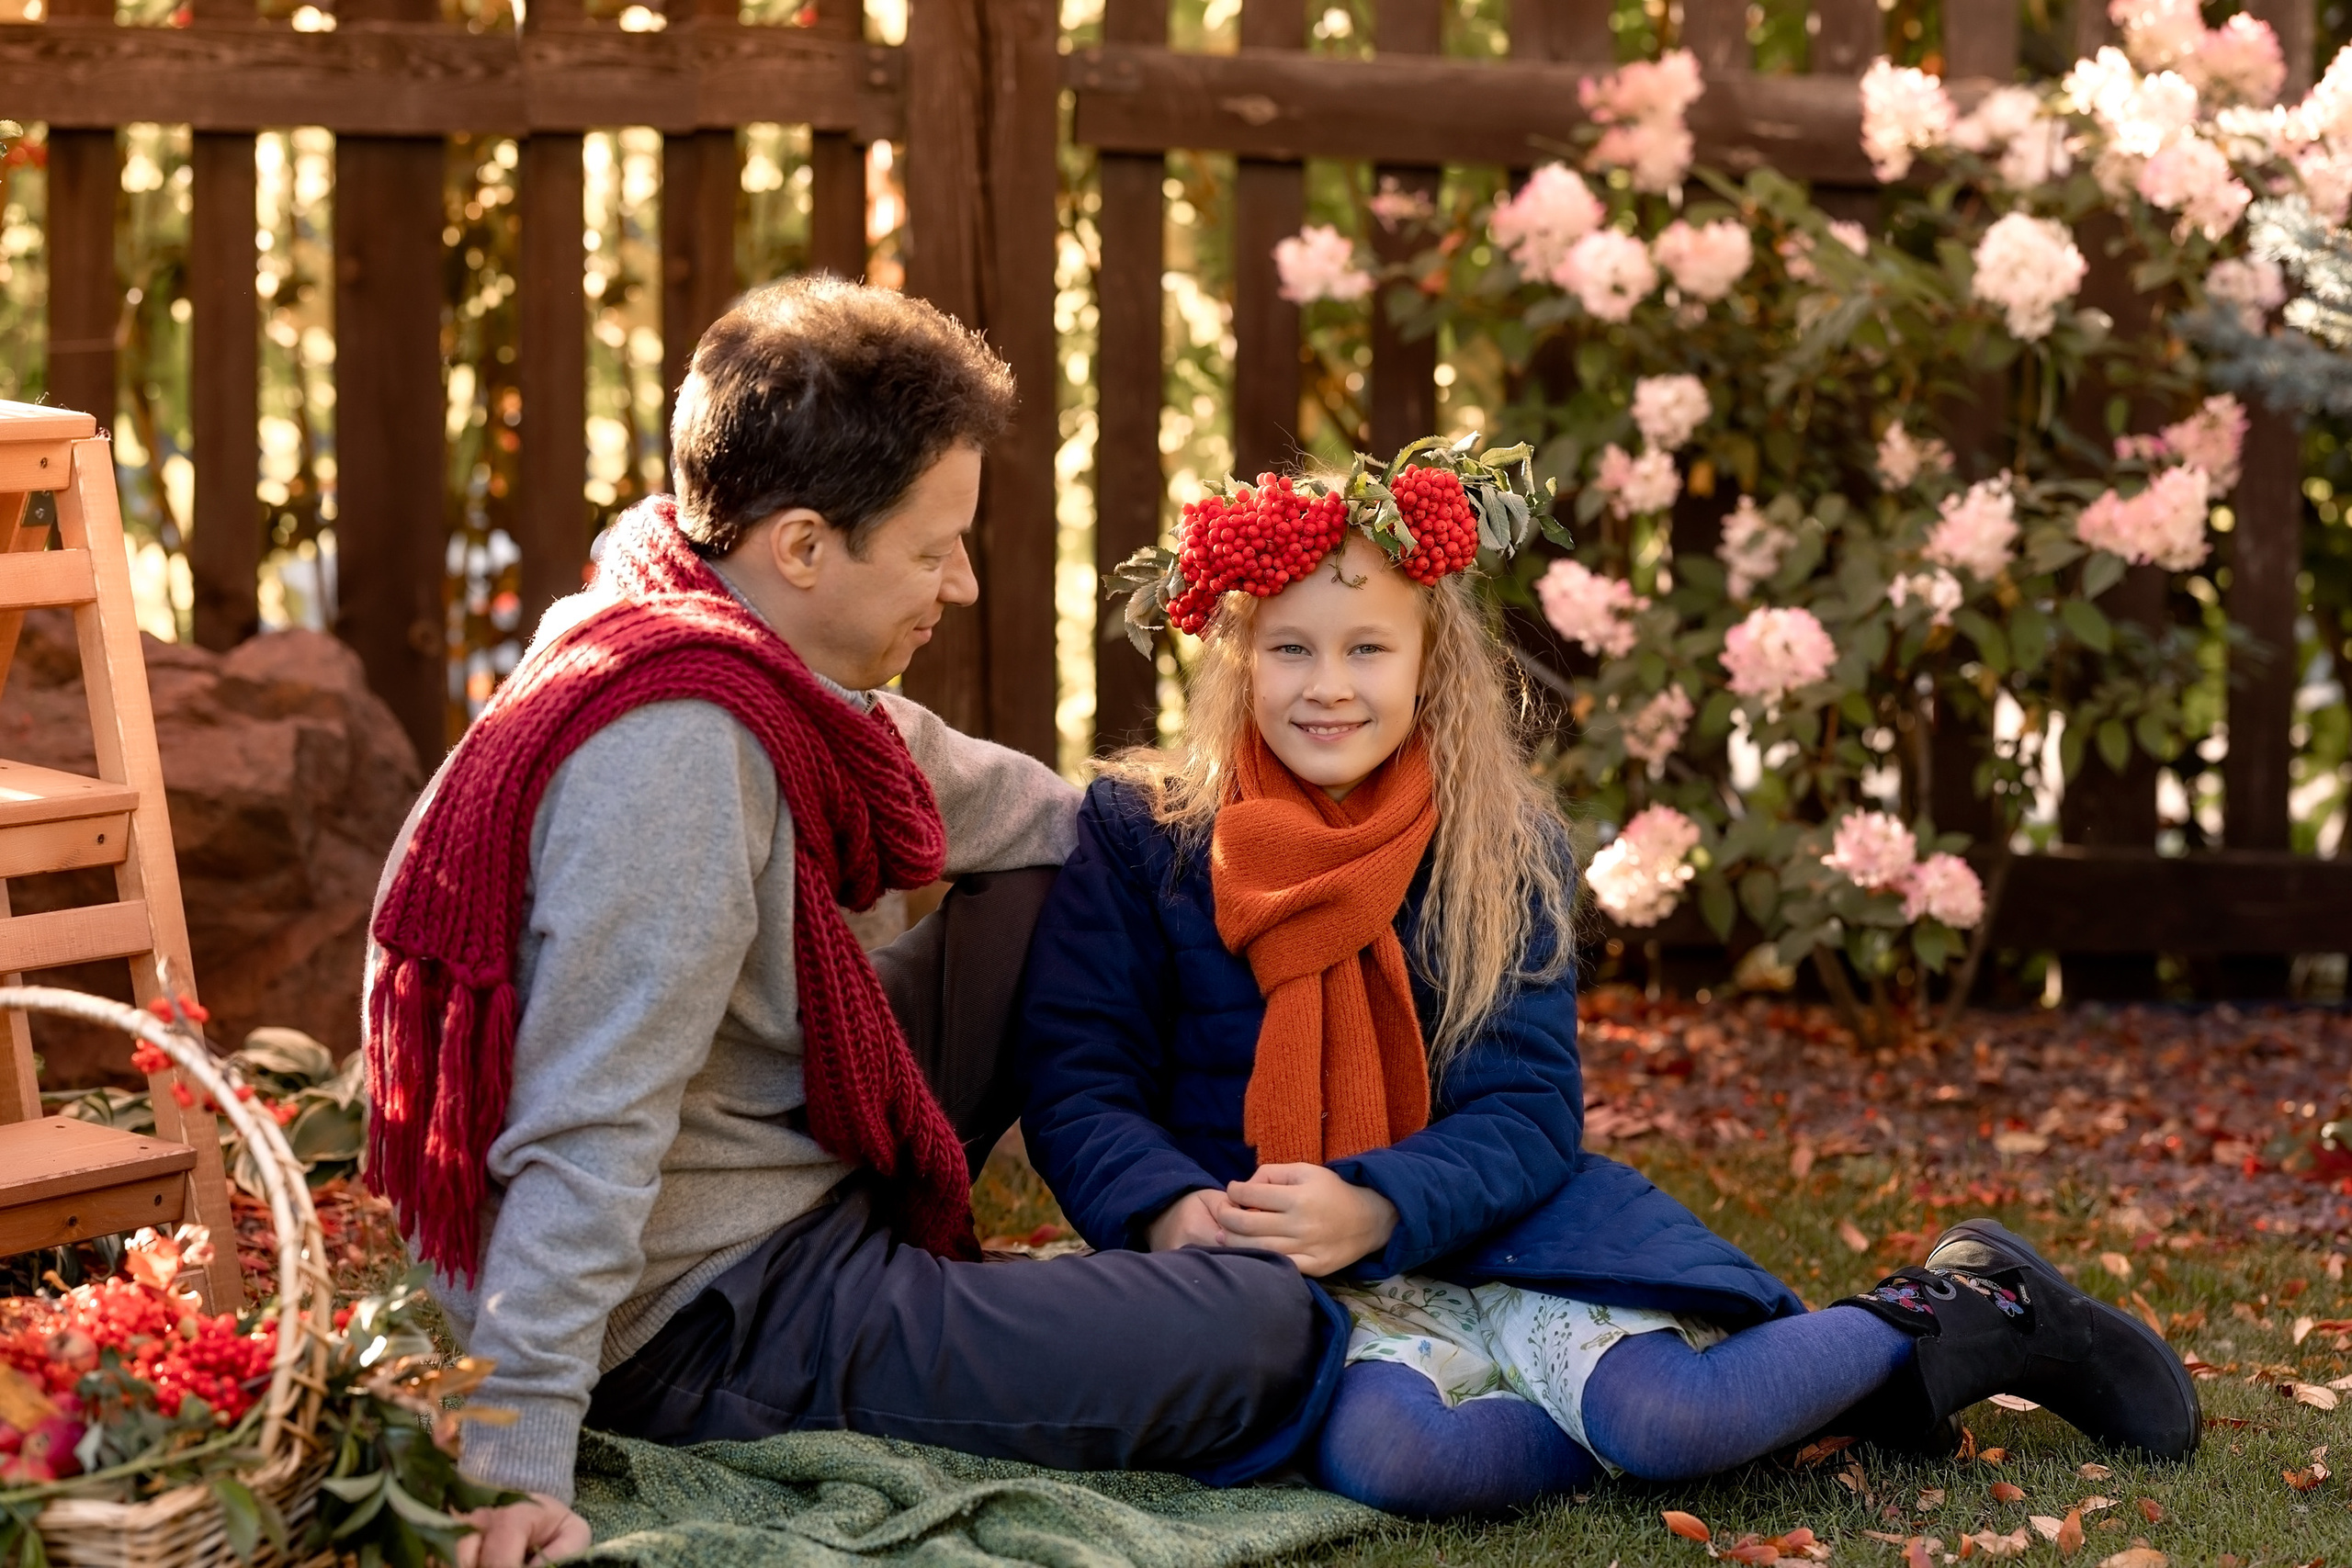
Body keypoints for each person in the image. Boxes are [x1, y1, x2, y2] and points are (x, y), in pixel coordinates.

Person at [1016, 445, 2201, 1518]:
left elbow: (1527, 1111)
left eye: (1367, 647)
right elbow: (1079, 1082)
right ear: (1237, 659)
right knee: (1402, 1465)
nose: (1328, 684)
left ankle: (1966, 1309)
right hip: (1274, 1281)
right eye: (1291, 649)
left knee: (1667, 1417)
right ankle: (1779, 1410)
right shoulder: (1145, 836)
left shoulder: (1497, 846)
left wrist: (1377, 1202)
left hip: (1500, 1226)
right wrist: (1171, 1211)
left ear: (1430, 664)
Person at [362, 278, 1341, 1568]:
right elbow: (586, 1125)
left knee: (1076, 878)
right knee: (1262, 1334)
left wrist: (1311, 856)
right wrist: (514, 1452)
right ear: (807, 547)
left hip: (776, 1163)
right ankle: (1111, 1297)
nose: (965, 583)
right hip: (705, 1308)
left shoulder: (727, 637)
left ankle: (1193, 1198)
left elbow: (1035, 819)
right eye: (936, 548)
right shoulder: (676, 756)